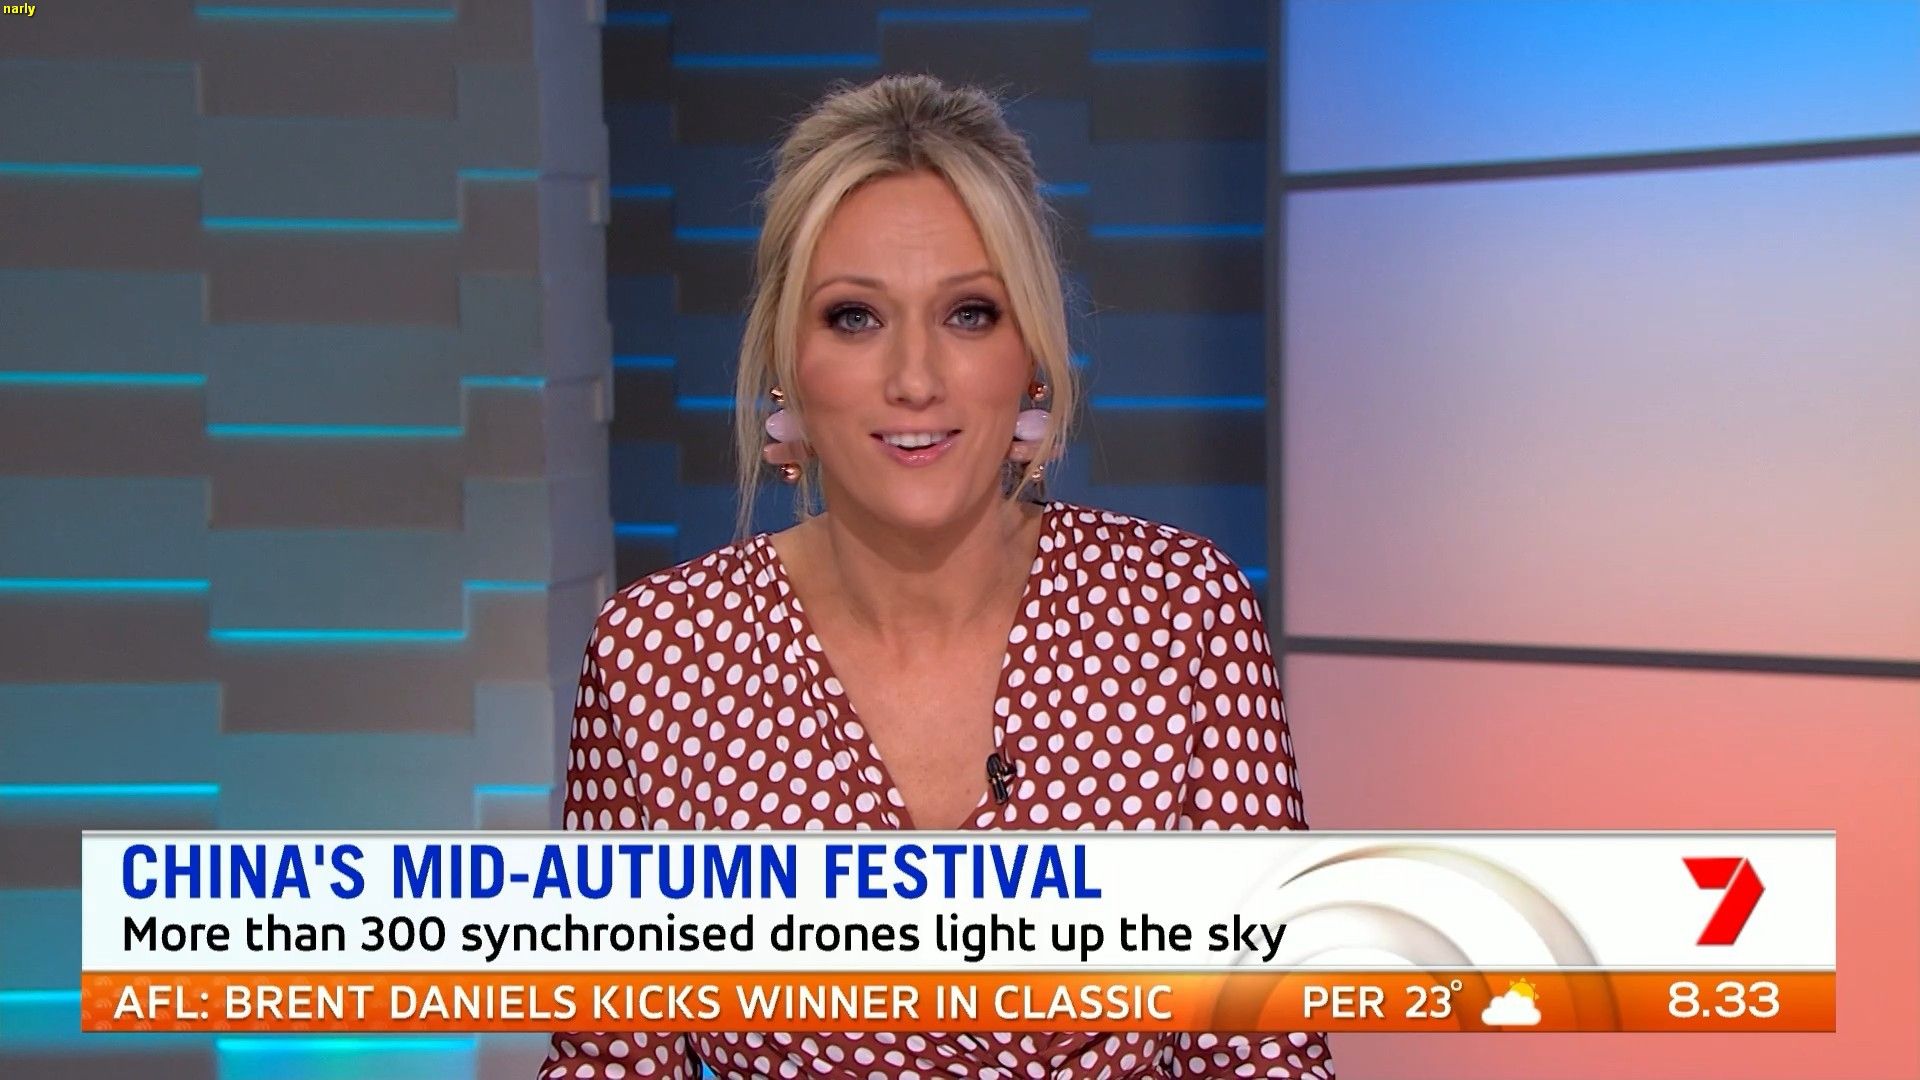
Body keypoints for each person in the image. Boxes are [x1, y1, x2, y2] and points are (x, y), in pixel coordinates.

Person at [543, 73, 1333, 1079]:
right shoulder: (657, 656)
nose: (914, 379)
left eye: (968, 314)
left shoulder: (1182, 614)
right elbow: (611, 1057)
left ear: (1030, 357)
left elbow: (1262, 1051)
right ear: (786, 363)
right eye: (854, 318)